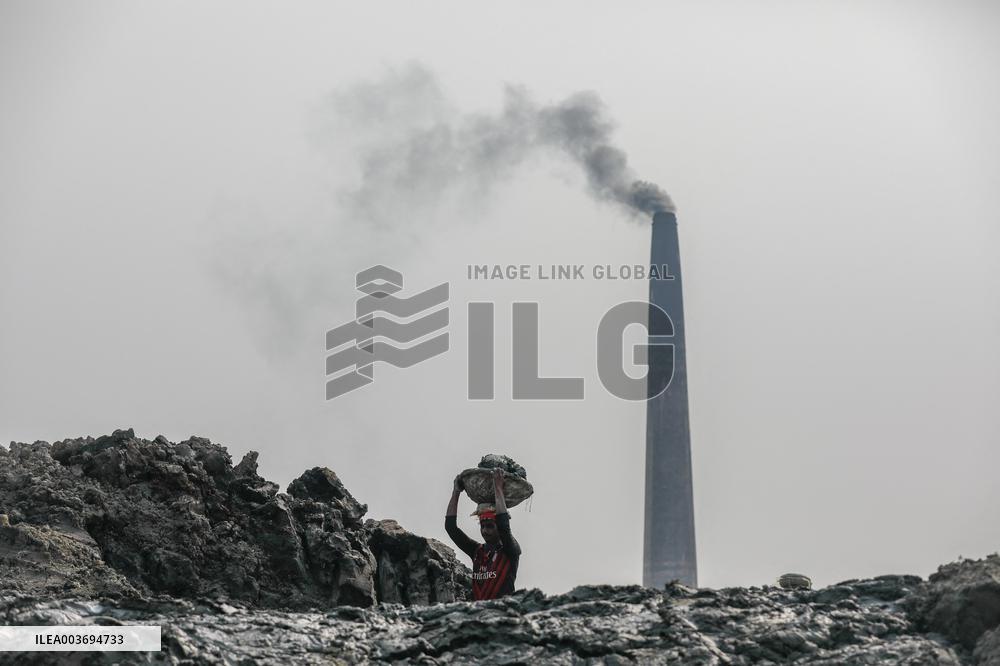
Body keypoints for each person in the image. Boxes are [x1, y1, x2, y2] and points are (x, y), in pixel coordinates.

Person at [445, 468, 521, 600]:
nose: (485, 531)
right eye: (483, 526)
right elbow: (451, 528)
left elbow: (504, 526)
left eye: (490, 526)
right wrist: (456, 492)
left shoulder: (510, 550)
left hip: (502, 611)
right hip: (479, 613)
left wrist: (498, 488)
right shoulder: (477, 552)